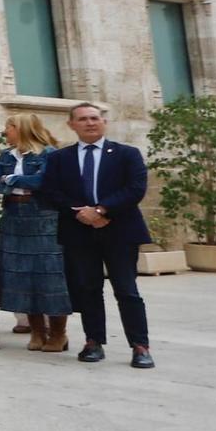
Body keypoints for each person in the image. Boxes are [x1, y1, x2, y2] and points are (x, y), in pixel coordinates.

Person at [38, 104, 154, 368]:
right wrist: (80, 212)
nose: (89, 123)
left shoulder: (127, 154)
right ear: (71, 125)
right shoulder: (59, 158)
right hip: (78, 231)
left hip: (120, 231)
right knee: (88, 289)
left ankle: (140, 346)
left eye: (94, 118)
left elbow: (135, 188)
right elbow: (50, 191)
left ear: (104, 122)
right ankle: (93, 342)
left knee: (127, 290)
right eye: (82, 119)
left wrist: (102, 210)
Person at [0, 113, 70, 352]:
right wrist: (20, 181)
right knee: (22, 274)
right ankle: (37, 331)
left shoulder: (49, 154)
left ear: (21, 129)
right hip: (14, 218)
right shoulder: (6, 156)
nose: (5, 132)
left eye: (9, 127)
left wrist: (14, 179)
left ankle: (58, 333)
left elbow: (44, 182)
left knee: (49, 274)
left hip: (43, 219)